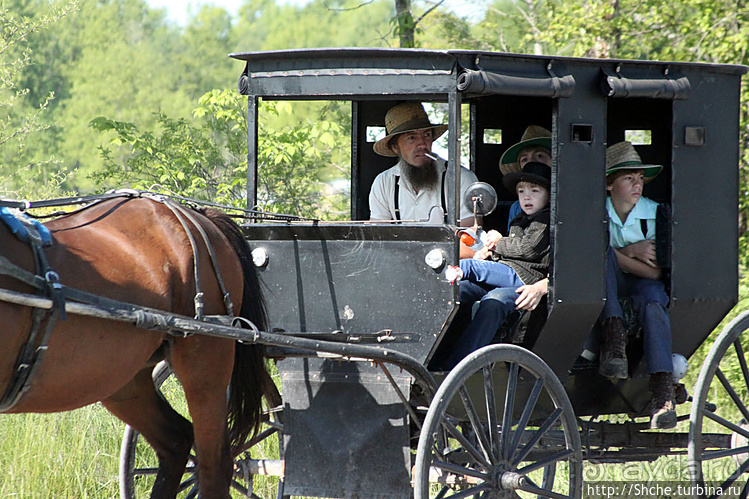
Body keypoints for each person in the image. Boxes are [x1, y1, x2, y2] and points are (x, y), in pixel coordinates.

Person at [438, 161, 551, 370]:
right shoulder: (519, 219)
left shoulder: (545, 221)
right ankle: (436, 358)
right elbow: (511, 253)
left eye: (535, 190)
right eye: (521, 191)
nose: (527, 196)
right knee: (459, 290)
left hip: (526, 279)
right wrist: (489, 253)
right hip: (510, 271)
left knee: (491, 296)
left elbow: (527, 249)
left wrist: (498, 243)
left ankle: (460, 366)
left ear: (549, 195)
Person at [597, 141, 675, 429]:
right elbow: (597, 255)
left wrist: (613, 255)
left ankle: (662, 394)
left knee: (654, 302)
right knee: (601, 254)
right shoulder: (598, 210)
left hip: (644, 284)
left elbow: (655, 274)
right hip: (608, 283)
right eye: (628, 178)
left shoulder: (655, 213)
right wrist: (630, 252)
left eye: (640, 178)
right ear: (609, 184)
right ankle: (614, 337)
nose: (637, 184)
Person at [369, 102, 478, 226]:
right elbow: (378, 233)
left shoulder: (460, 179)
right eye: (411, 138)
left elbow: (470, 232)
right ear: (395, 147)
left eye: (426, 135)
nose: (422, 143)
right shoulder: (384, 182)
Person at [498, 125, 552, 230]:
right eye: (524, 159)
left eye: (540, 156)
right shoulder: (517, 208)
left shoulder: (568, 200)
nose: (531, 162)